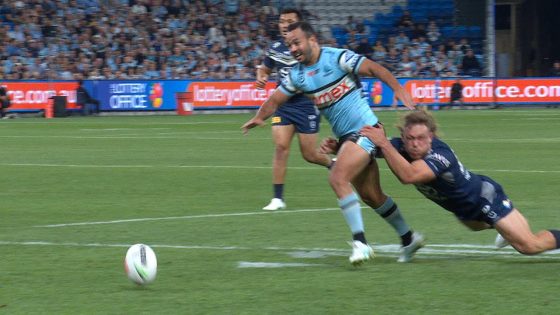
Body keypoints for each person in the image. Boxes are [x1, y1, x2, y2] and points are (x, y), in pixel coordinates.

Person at [243, 21, 424, 265]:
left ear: (312, 40)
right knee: (372, 196)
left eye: (297, 42)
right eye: (289, 44)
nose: (293, 48)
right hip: (347, 138)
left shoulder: (337, 58)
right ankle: (408, 238)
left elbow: (374, 68)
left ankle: (360, 243)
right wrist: (259, 117)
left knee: (337, 177)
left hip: (366, 130)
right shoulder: (297, 75)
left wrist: (397, 89)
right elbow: (275, 100)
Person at [358, 110, 560, 256]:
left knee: (529, 246)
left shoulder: (441, 154)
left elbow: (408, 176)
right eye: (410, 138)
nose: (415, 143)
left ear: (431, 137)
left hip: (485, 198)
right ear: (403, 137)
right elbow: (365, 150)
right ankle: (503, 229)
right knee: (473, 225)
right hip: (465, 210)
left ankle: (510, 229)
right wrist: (338, 146)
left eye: (421, 138)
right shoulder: (400, 147)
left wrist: (383, 143)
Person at [255, 9, 332, 211]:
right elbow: (265, 67)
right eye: (281, 21)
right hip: (283, 105)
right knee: (281, 148)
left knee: (309, 155)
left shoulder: (310, 47)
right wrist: (261, 75)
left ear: (299, 25)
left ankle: (333, 164)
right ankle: (278, 198)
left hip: (306, 104)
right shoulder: (275, 48)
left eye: (289, 21)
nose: (284, 25)